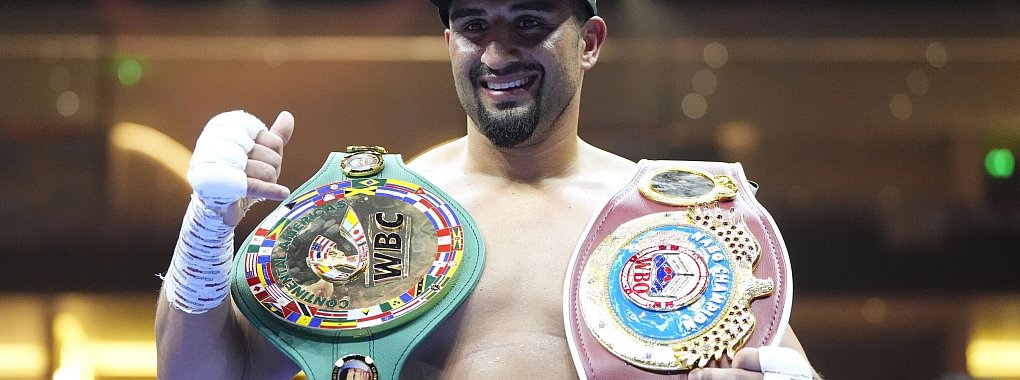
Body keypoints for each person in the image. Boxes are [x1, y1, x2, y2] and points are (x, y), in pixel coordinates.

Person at [155, 0, 821, 379]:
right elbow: (210, 376)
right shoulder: (379, 214)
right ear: (449, 40)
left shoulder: (674, 221)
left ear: (588, 42)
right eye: (476, 25)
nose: (498, 53)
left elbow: (780, 367)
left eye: (528, 23)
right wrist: (210, 222)